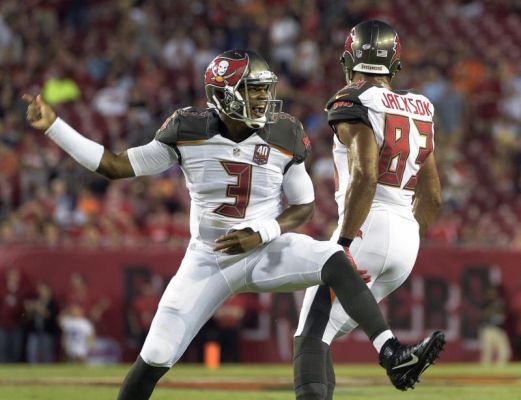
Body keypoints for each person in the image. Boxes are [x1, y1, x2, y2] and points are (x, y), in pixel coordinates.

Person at [24, 49, 444, 400]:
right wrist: (55, 127)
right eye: (253, 90)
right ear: (223, 94)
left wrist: (262, 232)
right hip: (208, 259)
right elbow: (114, 166)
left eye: (265, 89)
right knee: (154, 357)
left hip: (264, 250)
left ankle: (389, 351)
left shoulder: (284, 133)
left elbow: (304, 206)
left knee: (336, 256)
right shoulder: (187, 129)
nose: (263, 99)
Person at [293, 20, 444, 399]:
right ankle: (393, 353)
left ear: (349, 59)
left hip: (365, 227)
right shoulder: (421, 106)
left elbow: (364, 177)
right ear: (394, 63)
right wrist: (405, 233)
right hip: (406, 238)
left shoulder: (353, 100)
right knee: (323, 333)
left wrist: (343, 243)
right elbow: (433, 196)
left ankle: (394, 355)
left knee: (310, 335)